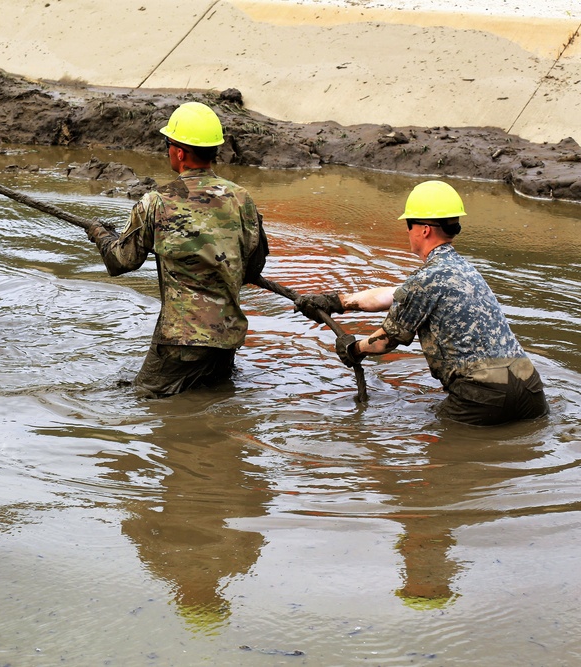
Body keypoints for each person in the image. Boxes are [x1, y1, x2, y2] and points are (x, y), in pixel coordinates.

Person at [295, 180, 549, 426]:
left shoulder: (426, 279)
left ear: (424, 229)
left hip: (484, 398)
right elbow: (393, 294)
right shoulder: (463, 270)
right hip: (531, 390)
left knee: (435, 450)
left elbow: (385, 341)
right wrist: (337, 302)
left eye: (408, 224)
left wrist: (354, 350)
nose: (407, 231)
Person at [85, 101, 269, 397]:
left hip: (181, 340)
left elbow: (122, 261)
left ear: (179, 151)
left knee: (142, 399)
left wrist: (100, 234)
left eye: (167, 143)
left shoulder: (157, 202)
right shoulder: (242, 198)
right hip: (227, 336)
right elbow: (253, 266)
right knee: (213, 400)